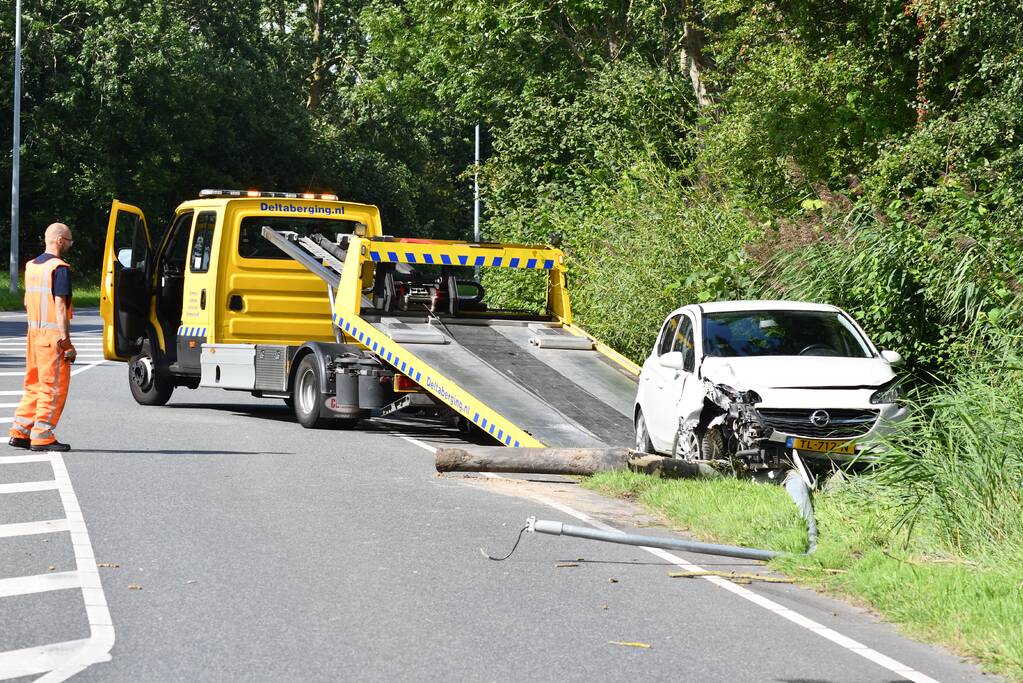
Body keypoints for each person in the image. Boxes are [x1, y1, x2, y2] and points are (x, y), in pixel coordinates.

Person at [8, 223, 77, 452]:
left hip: (33, 335)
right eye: (69, 240)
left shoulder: (32, 267)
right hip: (52, 338)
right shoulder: (60, 268)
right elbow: (59, 307)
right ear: (59, 241)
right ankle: (42, 435)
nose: (70, 244)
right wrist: (66, 342)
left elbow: (29, 301)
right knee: (52, 387)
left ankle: (20, 431)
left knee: (34, 385)